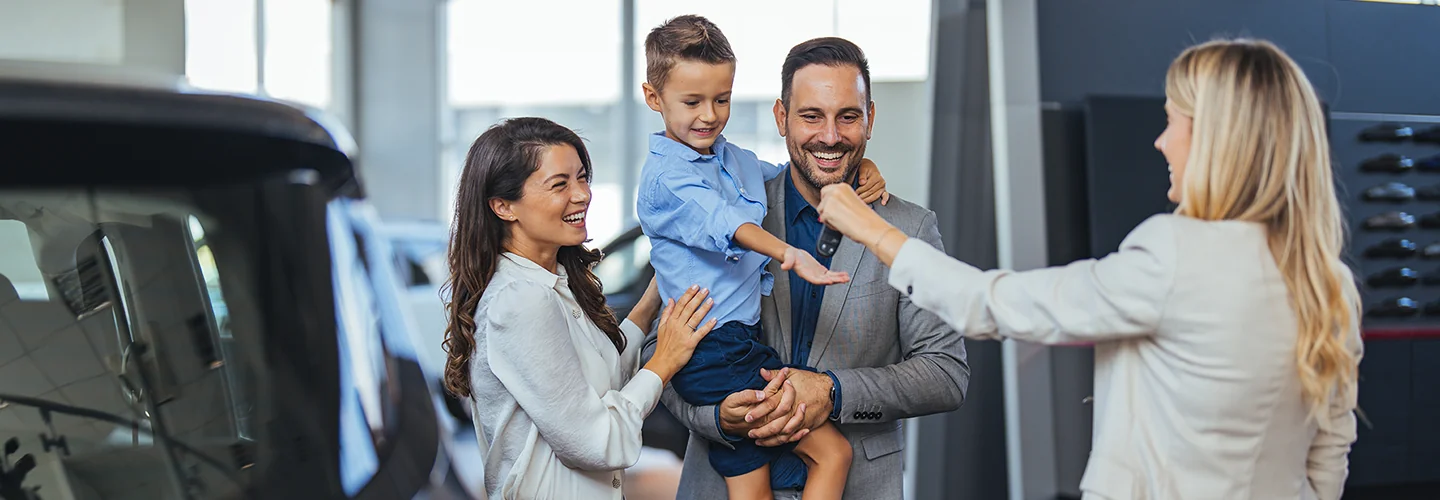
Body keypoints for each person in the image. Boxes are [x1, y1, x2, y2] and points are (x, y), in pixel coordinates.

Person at [816, 38, 1363, 500]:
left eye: (1172, 122)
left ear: (1216, 139)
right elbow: (1327, 461)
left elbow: (992, 303)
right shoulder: (1329, 282)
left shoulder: (1175, 252)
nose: (1161, 141)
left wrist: (874, 231)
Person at [644, 37, 970, 500]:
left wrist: (832, 391)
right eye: (811, 115)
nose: (831, 136)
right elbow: (660, 349)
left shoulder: (910, 229)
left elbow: (946, 373)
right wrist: (715, 417)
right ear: (781, 118)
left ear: (870, 119)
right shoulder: (731, 207)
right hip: (720, 484)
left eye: (848, 116)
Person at [440, 117, 719, 500]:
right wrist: (665, 360)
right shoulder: (521, 299)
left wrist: (656, 293)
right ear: (503, 206)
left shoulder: (551, 284)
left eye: (582, 177)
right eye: (560, 184)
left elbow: (603, 385)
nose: (582, 194)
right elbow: (597, 441)